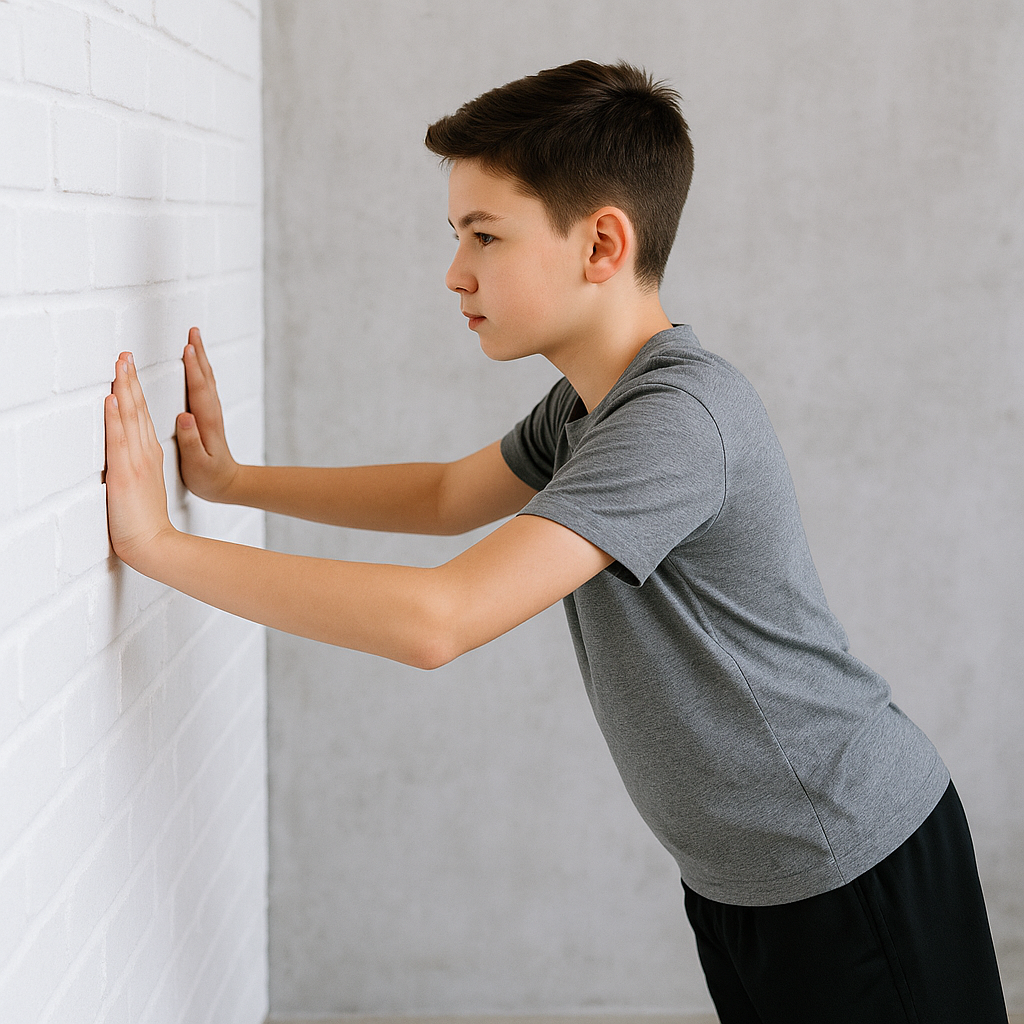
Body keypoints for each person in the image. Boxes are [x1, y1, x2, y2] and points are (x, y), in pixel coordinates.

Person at [104, 60, 1007, 1022]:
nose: (455, 271)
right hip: (746, 879)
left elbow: (438, 620)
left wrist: (160, 547)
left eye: (485, 235)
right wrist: (234, 483)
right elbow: (447, 495)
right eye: (456, 235)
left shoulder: (676, 418)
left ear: (602, 244)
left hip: (849, 862)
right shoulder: (589, 408)